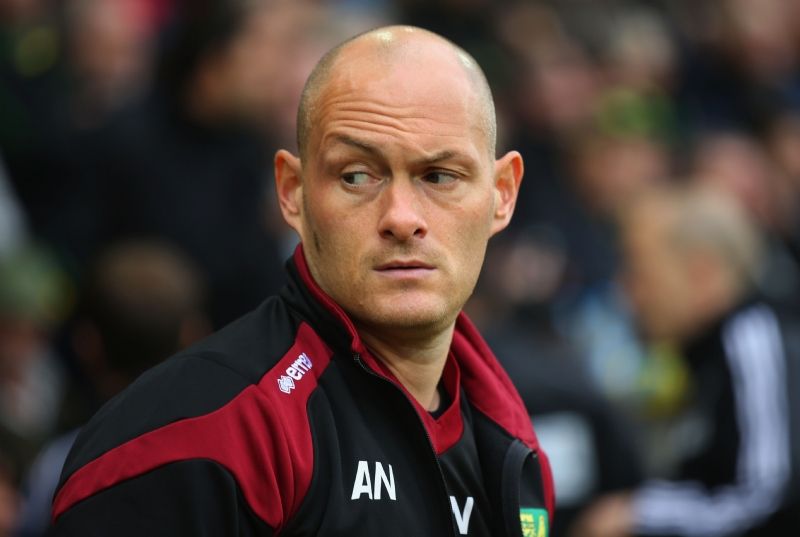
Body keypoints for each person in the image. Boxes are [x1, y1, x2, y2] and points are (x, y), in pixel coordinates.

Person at [48, 26, 554, 536]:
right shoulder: (191, 443)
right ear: (292, 192)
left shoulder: (514, 443)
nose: (402, 218)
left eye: (440, 176)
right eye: (356, 175)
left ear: (502, 194)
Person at [573, 185, 800, 536]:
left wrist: (637, 513)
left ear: (702, 274)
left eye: (639, 273)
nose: (625, 292)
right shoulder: (699, 351)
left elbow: (762, 495)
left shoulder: (752, 339)